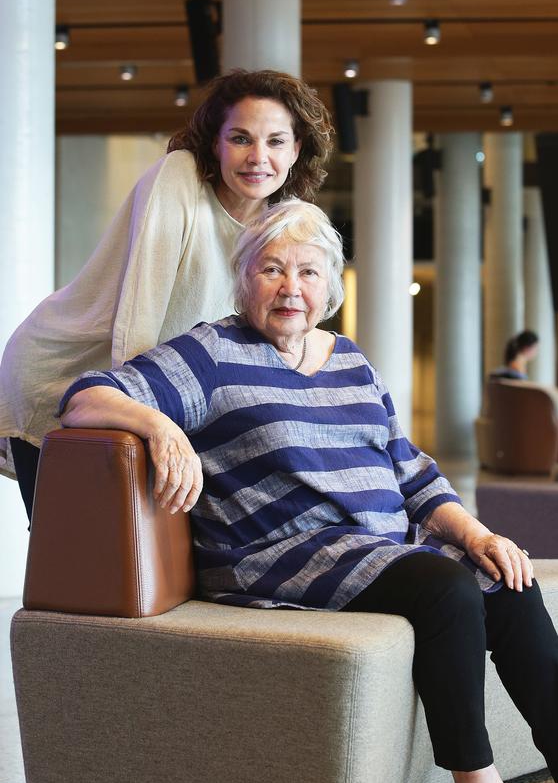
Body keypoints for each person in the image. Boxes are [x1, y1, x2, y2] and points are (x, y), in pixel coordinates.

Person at [60, 199, 558, 783]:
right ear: (243, 278)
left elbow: (409, 468)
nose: (291, 288)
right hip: (275, 552)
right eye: (272, 269)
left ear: (331, 285)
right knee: (445, 589)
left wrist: (478, 534)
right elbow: (85, 396)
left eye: (308, 272)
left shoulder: (349, 360)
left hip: (373, 549)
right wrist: (160, 426)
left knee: (504, 579)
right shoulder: (213, 352)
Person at [0, 69, 332, 523]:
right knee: (74, 552)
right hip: (72, 370)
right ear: (214, 143)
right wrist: (134, 414)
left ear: (296, 149)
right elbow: (139, 320)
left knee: (128, 560)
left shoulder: (279, 222)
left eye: (275, 142)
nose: (258, 157)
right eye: (240, 138)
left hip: (151, 387)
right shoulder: (180, 178)